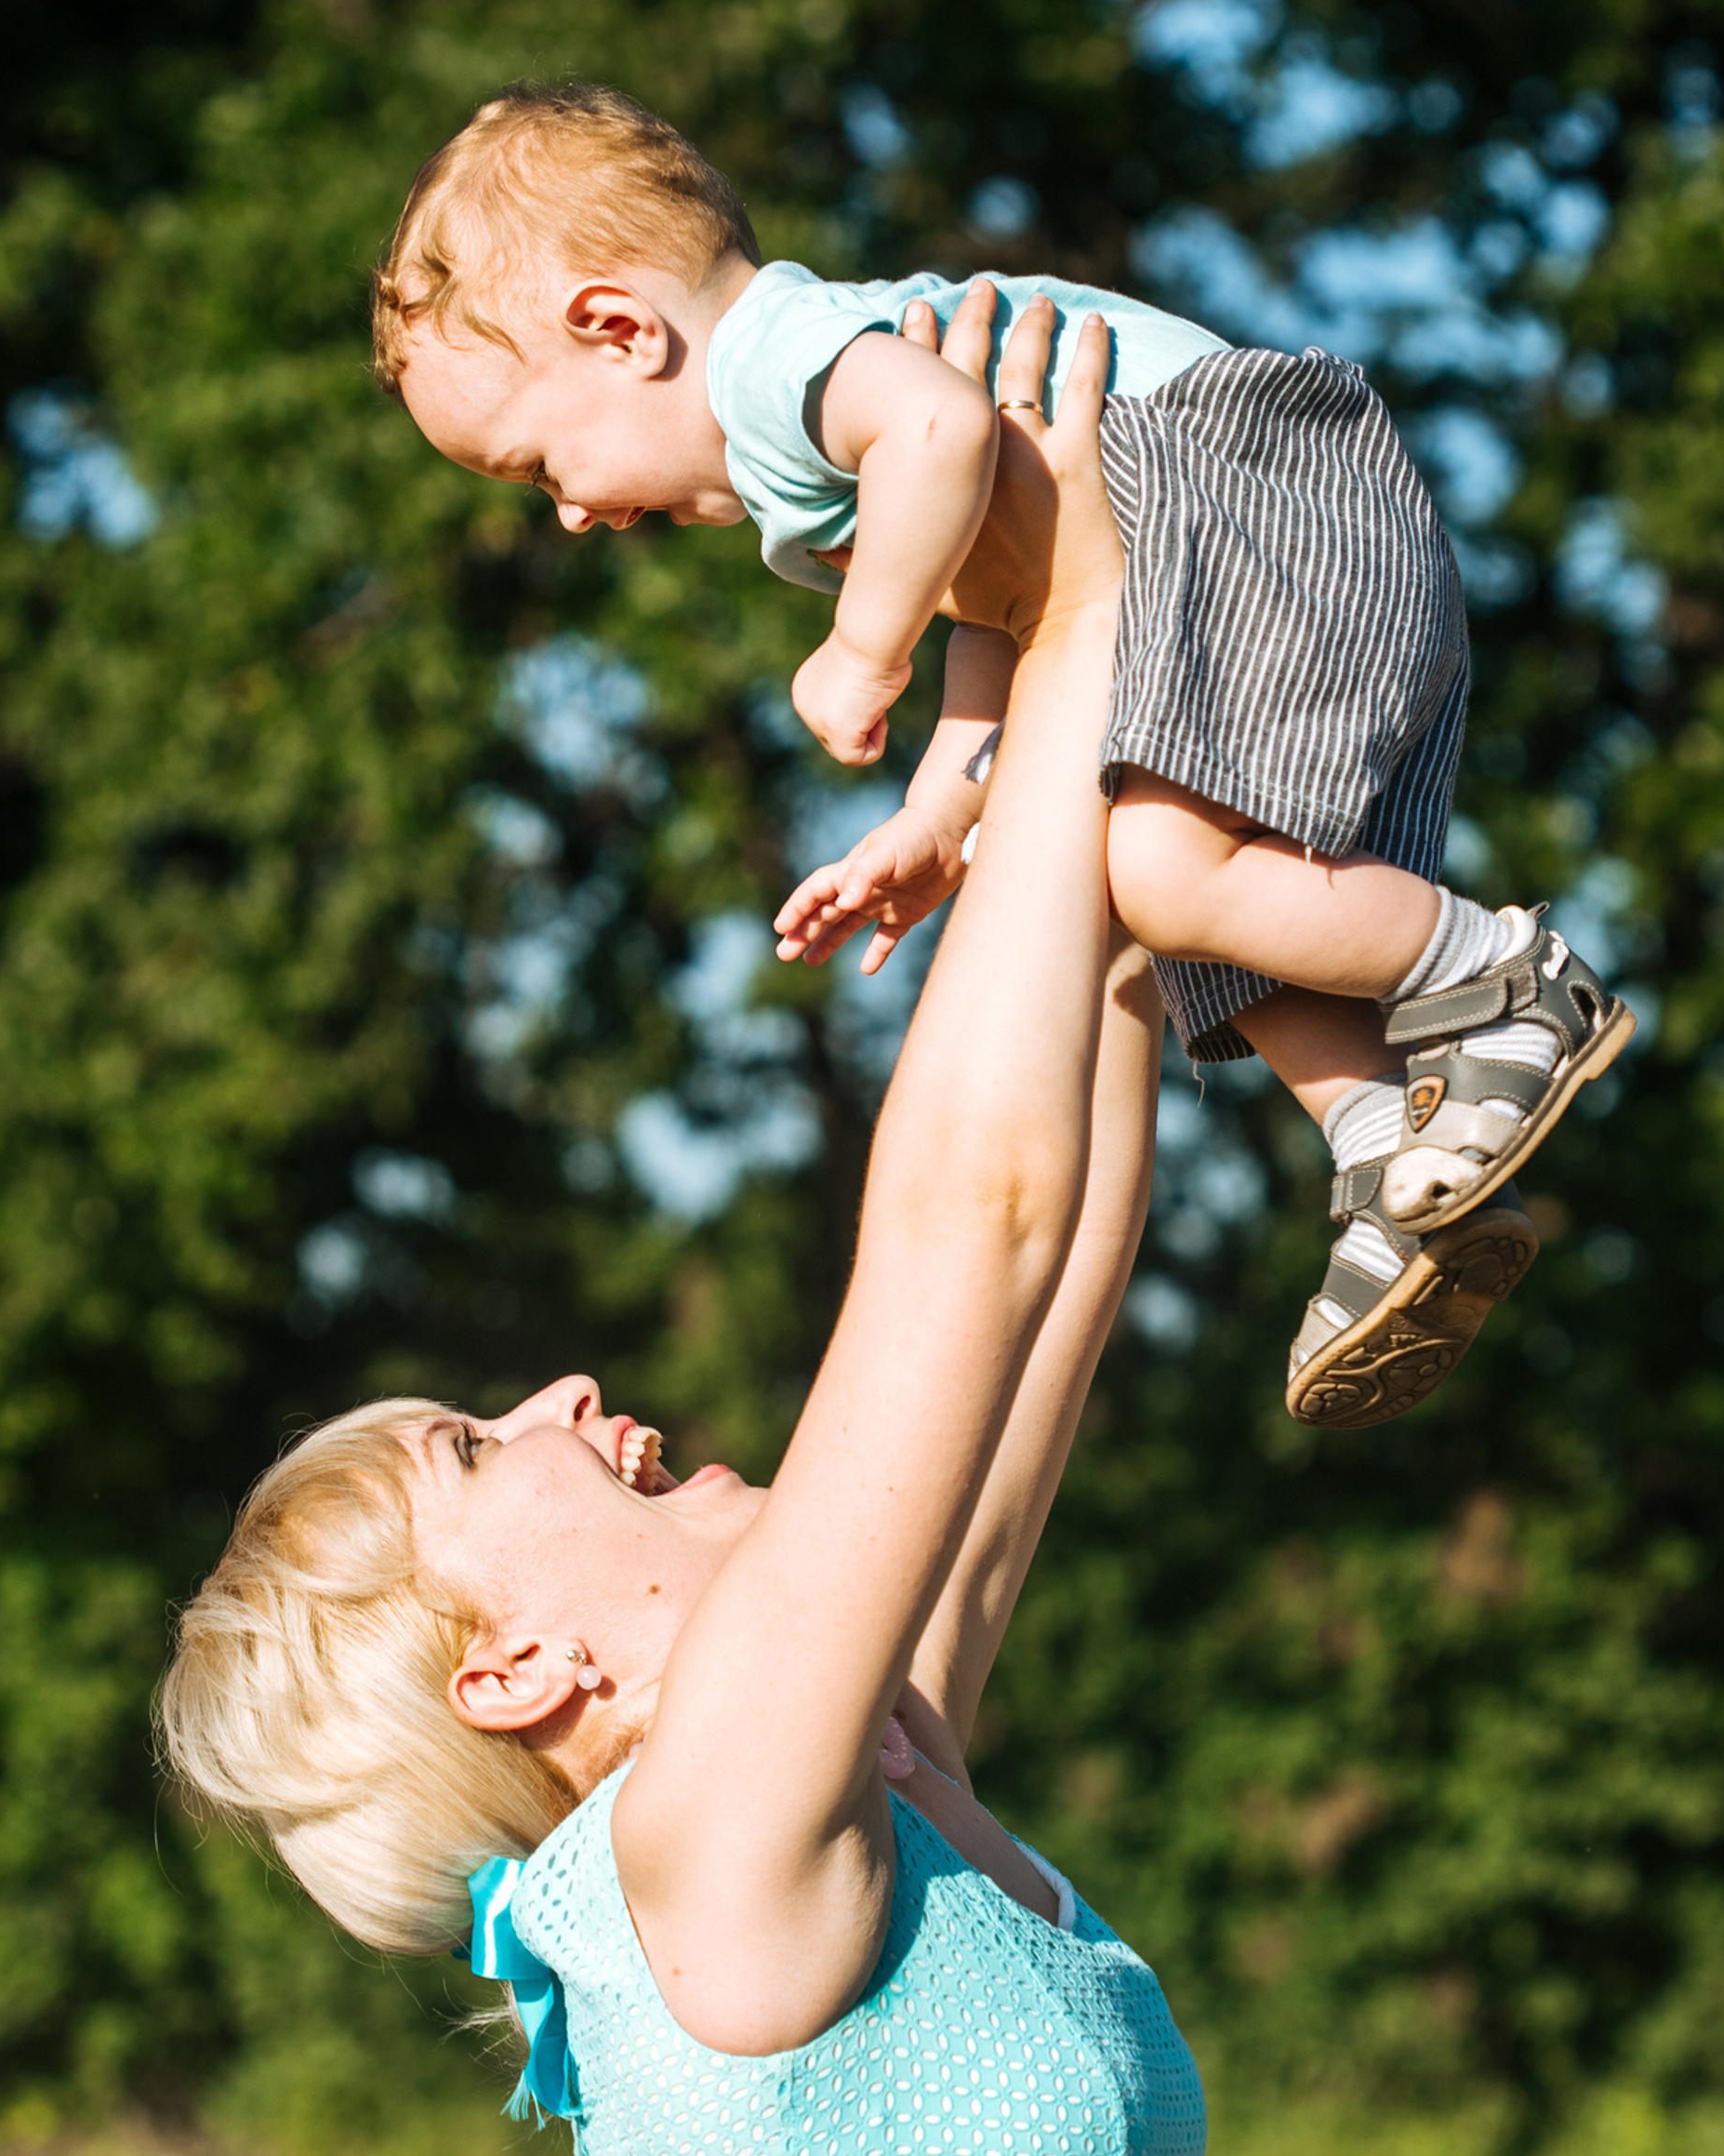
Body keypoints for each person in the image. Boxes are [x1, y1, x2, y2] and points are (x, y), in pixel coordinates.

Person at [161, 302, 1215, 2156]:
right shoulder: (707, 1841)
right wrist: (1083, 637)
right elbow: (967, 1227)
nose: (567, 1387)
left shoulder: (865, 1769)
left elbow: (1045, 1288)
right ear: (506, 1669)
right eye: (479, 1444)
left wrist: (1044, 674)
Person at [375, 82, 1633, 1429]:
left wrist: (865, 648)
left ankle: (1504, 979)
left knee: (1159, 865)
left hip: (1248, 482)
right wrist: (938, 809)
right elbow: (1008, 596)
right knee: (1137, 871)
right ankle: (1387, 1141)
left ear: (619, 330)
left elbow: (951, 436)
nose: (566, 513)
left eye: (535, 465)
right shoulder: (809, 433)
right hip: (1200, 534)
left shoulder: (774, 358)